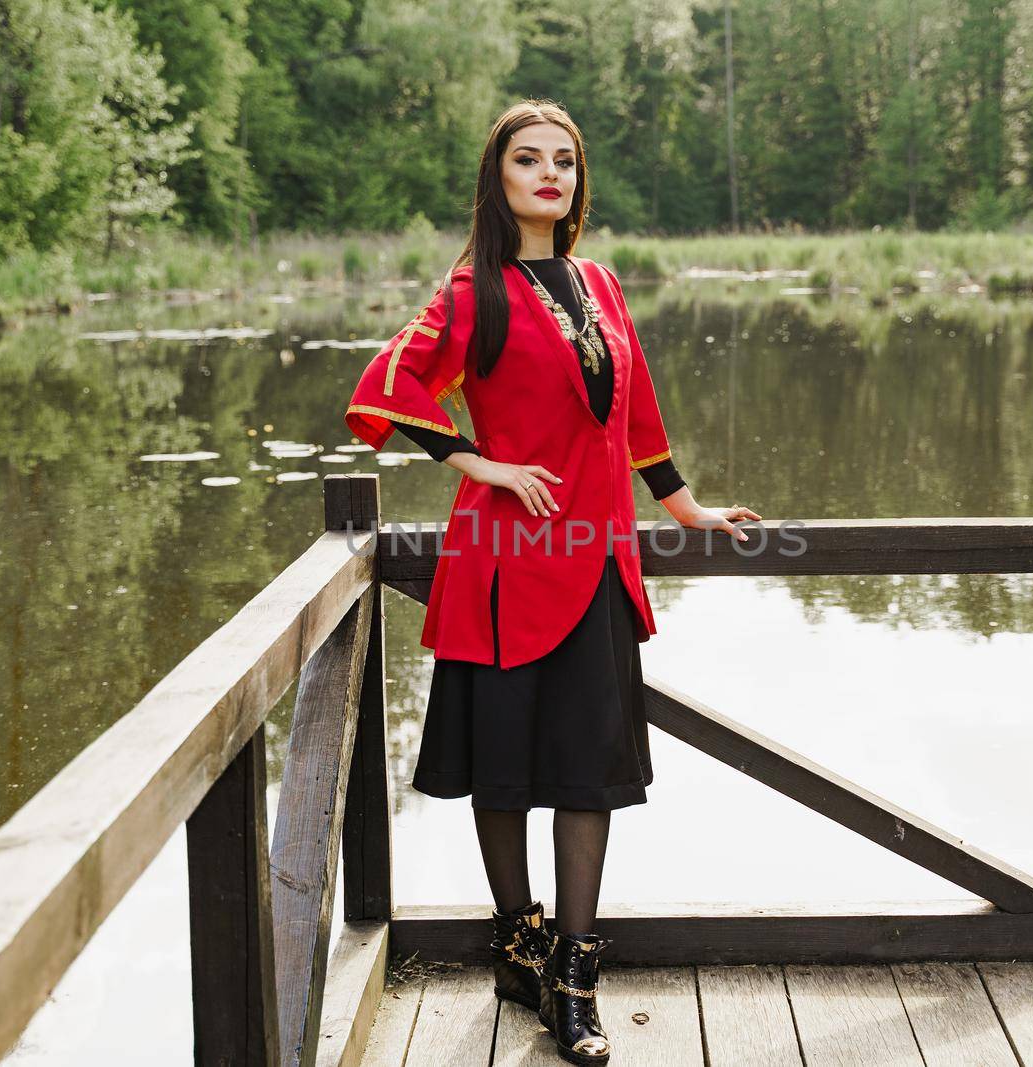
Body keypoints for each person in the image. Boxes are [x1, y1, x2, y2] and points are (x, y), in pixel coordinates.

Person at [343, 98, 760, 1065]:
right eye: (528, 159)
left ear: (577, 181)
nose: (548, 174)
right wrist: (475, 462)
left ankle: (575, 976)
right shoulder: (470, 292)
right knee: (504, 772)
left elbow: (639, 410)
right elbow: (385, 385)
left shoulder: (602, 285)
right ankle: (517, 945)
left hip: (599, 559)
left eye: (564, 161)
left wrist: (685, 508)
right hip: (503, 561)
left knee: (588, 771)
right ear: (498, 179)